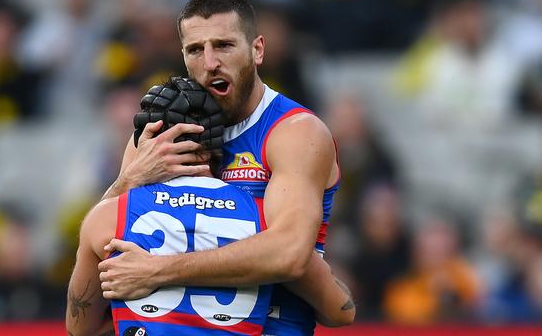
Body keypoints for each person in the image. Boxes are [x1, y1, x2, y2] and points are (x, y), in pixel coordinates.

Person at [97, 0, 348, 335]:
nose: (210, 62)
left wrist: (158, 270)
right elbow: (103, 251)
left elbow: (288, 254)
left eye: (224, 46)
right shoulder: (159, 131)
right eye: (196, 50)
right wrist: (130, 181)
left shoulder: (295, 132)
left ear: (257, 50)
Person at [67, 78, 353, 335]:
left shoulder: (108, 218)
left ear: (143, 145)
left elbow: (80, 328)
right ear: (219, 147)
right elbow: (341, 310)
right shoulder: (264, 222)